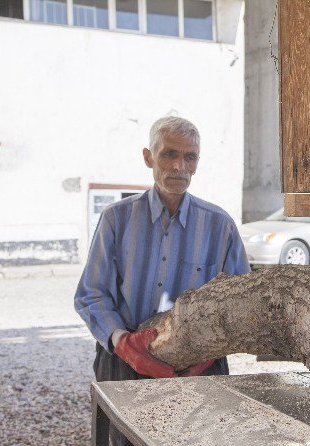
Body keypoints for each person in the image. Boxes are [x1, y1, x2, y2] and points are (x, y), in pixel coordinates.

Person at [74, 116, 250, 445]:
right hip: (125, 363)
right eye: (169, 154)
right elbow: (91, 294)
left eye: (190, 157)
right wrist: (121, 341)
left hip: (200, 366)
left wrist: (208, 353)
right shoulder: (116, 219)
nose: (179, 166)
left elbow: (240, 303)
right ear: (148, 157)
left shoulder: (219, 225)